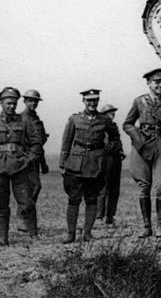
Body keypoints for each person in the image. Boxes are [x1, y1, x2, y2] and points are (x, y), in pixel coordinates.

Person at [0, 88, 44, 246]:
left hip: (20, 168)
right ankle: (3, 237)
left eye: (14, 103)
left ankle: (34, 235)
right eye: (8, 103)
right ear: (1, 103)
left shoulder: (24, 121)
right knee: (1, 204)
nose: (11, 107)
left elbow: (37, 143)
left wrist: (29, 159)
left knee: (27, 202)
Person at [58, 90, 121, 244]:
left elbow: (115, 139)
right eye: (89, 101)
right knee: (74, 199)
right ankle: (70, 234)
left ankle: (87, 233)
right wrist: (62, 163)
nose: (92, 104)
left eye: (95, 100)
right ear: (84, 101)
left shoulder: (104, 120)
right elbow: (66, 142)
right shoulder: (74, 119)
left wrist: (106, 150)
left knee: (92, 199)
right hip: (76, 164)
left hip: (95, 164)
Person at [123, 68, 161, 238]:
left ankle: (160, 226)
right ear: (148, 83)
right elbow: (127, 124)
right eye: (156, 82)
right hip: (142, 146)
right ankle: (147, 227)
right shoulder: (139, 101)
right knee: (144, 187)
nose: (160, 85)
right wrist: (137, 138)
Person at [17, 89, 48, 235]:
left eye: (35, 101)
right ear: (24, 101)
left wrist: (44, 163)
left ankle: (25, 218)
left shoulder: (36, 118)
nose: (33, 103)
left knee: (34, 188)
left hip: (36, 159)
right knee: (31, 188)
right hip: (25, 159)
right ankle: (23, 218)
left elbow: (40, 142)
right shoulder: (21, 118)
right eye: (30, 100)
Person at [95, 104, 124, 226]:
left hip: (115, 160)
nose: (112, 114)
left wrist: (120, 151)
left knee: (114, 189)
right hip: (105, 160)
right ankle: (99, 217)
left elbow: (117, 142)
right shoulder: (101, 127)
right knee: (103, 189)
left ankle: (110, 216)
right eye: (109, 112)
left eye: (113, 112)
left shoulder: (114, 127)